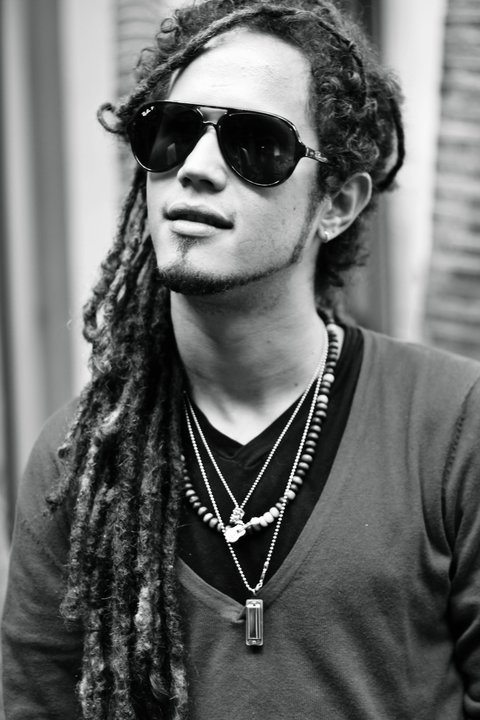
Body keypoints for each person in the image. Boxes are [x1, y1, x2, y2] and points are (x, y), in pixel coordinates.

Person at [3, 0, 480, 718]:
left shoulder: (452, 426)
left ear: (337, 205)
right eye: (172, 133)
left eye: (256, 143)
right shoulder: (82, 462)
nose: (196, 169)